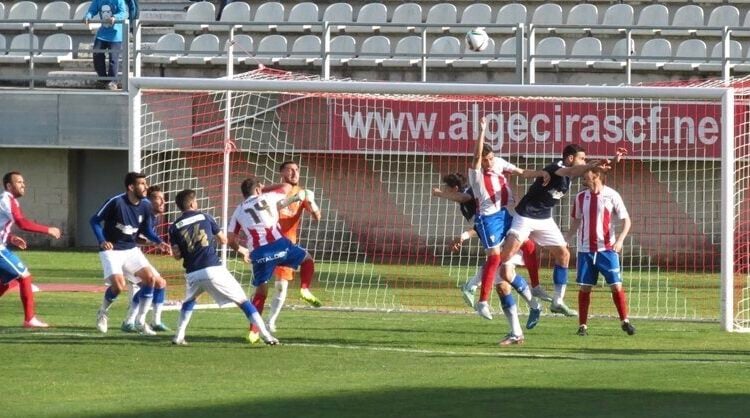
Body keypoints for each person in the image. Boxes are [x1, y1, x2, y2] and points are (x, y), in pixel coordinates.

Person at [499, 145, 619, 319]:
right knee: (505, 257)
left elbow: (595, 171)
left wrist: (611, 161)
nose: (584, 161)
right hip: (525, 216)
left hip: (545, 219)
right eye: (582, 158)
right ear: (570, 158)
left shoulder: (574, 172)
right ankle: (479, 279)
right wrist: (590, 164)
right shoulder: (556, 168)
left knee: (564, 254)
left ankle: (557, 301)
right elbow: (573, 170)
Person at [467, 116, 550, 321]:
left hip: (506, 215)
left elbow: (521, 172)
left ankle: (535, 292)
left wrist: (541, 173)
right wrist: (482, 131)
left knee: (527, 247)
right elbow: (477, 156)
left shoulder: (498, 163)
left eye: (490, 158)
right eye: (485, 160)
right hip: (488, 220)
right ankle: (482, 301)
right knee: (495, 258)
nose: (488, 162)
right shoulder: (475, 174)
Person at [169, 189, 278, 346]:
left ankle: (179, 336)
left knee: (189, 300)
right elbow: (223, 239)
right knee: (243, 301)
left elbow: (177, 255)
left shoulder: (174, 227)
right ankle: (267, 336)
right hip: (212, 268)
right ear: (192, 203)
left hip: (192, 272)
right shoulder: (205, 217)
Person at [433, 172, 551, 307]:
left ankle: (473, 286)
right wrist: (464, 236)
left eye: (446, 188)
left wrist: (440, 194)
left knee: (510, 255)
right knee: (500, 264)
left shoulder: (469, 191)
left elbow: (464, 198)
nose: (445, 190)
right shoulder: (468, 203)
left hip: (501, 223)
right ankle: (532, 302)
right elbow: (480, 227)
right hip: (496, 227)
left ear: (454, 188)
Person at [227, 176, 318, 344]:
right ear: (257, 190)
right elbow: (286, 187)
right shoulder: (267, 196)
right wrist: (265, 188)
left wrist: (241, 251)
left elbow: (231, 238)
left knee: (260, 293)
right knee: (307, 259)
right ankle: (304, 289)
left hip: (259, 254)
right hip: (280, 245)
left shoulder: (238, 211)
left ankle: (253, 332)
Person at [90, 172, 171, 334]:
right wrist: (101, 240)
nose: (146, 187)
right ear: (131, 187)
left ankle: (140, 321)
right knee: (118, 286)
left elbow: (146, 229)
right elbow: (94, 221)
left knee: (151, 279)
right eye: (142, 184)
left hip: (131, 249)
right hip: (112, 250)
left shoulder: (146, 205)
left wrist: (158, 241)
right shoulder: (116, 202)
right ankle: (102, 312)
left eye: (145, 183)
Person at [567, 165, 635, 336]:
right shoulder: (580, 197)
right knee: (585, 288)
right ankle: (582, 325)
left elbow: (627, 220)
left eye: (586, 174)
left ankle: (624, 321)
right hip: (585, 250)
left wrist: (619, 241)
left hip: (607, 249)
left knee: (616, 285)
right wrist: (566, 238)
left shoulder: (612, 195)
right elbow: (576, 221)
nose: (583, 177)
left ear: (596, 175)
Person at [259, 161, 322, 338]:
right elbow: (260, 196)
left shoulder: (302, 193)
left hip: (286, 245)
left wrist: (312, 202)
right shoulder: (274, 191)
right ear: (282, 172)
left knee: (281, 286)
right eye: (290, 170)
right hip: (265, 243)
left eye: (297, 170)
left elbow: (317, 217)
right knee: (260, 286)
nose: (294, 173)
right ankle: (254, 326)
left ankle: (270, 322)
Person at [0, 172, 61, 328]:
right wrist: (47, 230)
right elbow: (23, 223)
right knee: (24, 276)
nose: (23, 185)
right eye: (19, 182)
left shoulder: (7, 200)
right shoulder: (7, 200)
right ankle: (29, 319)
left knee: (4, 283)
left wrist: (11, 238)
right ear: (9, 186)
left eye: (23, 182)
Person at [121, 185, 170, 333]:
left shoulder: (150, 217)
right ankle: (130, 321)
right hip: (123, 254)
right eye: (158, 198)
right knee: (148, 282)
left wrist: (157, 243)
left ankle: (155, 321)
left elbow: (137, 238)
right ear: (148, 200)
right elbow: (127, 237)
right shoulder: (141, 214)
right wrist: (157, 242)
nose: (163, 202)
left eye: (164, 198)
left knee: (160, 283)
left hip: (133, 252)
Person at [84, 0, 128, 90]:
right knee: (97, 54)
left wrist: (115, 17)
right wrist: (88, 16)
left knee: (113, 59)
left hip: (116, 34)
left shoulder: (119, 1)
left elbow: (124, 12)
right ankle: (102, 79)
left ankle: (112, 81)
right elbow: (92, 10)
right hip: (102, 34)